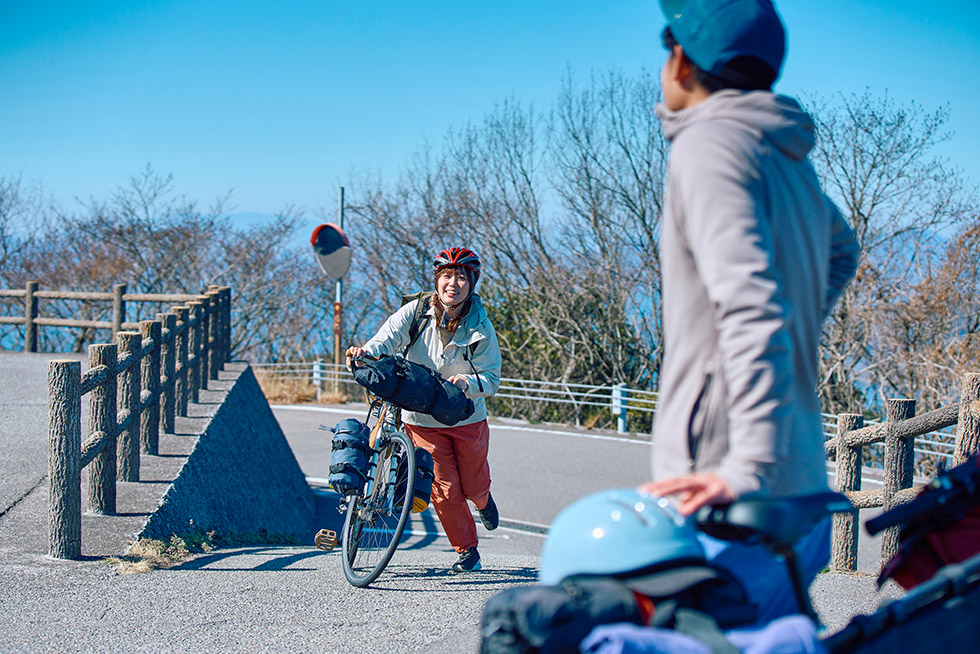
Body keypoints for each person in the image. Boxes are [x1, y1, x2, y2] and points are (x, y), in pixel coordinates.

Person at [640, 0, 861, 624]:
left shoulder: (708, 145)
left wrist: (746, 466)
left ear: (681, 60)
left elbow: (750, 307)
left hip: (728, 485)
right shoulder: (783, 153)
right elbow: (841, 250)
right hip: (798, 469)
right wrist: (793, 332)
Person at [347, 247, 502, 573]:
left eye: (461, 277)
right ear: (437, 280)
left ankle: (484, 502)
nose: (453, 283)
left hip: (466, 417)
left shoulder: (481, 327)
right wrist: (365, 352)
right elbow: (385, 340)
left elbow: (491, 378)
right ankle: (467, 551)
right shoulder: (415, 312)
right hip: (421, 418)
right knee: (444, 489)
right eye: (447, 275)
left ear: (471, 283)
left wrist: (468, 383)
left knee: (473, 485)